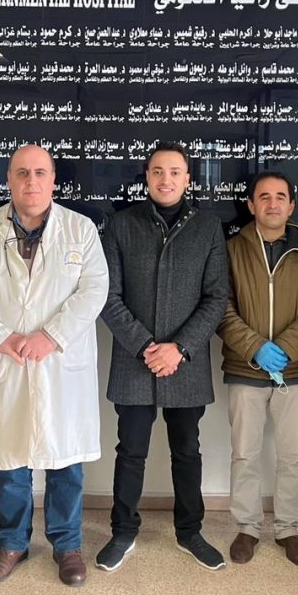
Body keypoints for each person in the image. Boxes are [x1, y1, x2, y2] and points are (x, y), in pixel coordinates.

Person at [0, 144, 107, 587]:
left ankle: (67, 545)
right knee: (10, 461)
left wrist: (50, 336)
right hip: (8, 360)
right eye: (22, 173)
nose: (31, 181)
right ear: (9, 179)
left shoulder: (80, 230)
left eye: (40, 173)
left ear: (53, 180)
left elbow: (94, 290)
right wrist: (0, 337)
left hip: (60, 363)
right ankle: (11, 543)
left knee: (65, 461)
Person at [96, 141, 229, 572]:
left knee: (187, 450)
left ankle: (190, 532)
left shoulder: (208, 228)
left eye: (174, 172)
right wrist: (145, 346)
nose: (165, 179)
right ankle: (123, 531)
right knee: (130, 451)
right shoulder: (121, 224)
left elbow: (216, 298)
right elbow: (108, 297)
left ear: (188, 179)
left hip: (185, 363)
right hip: (134, 360)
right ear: (147, 177)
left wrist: (180, 348)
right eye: (157, 171)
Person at [217, 171, 298, 566]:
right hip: (244, 368)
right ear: (251, 205)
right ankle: (247, 528)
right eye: (263, 197)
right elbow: (220, 307)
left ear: (292, 205)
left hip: (294, 371)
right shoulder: (230, 249)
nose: (272, 203)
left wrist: (283, 349)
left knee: (292, 456)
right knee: (244, 454)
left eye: (280, 196)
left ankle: (288, 529)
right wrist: (255, 348)